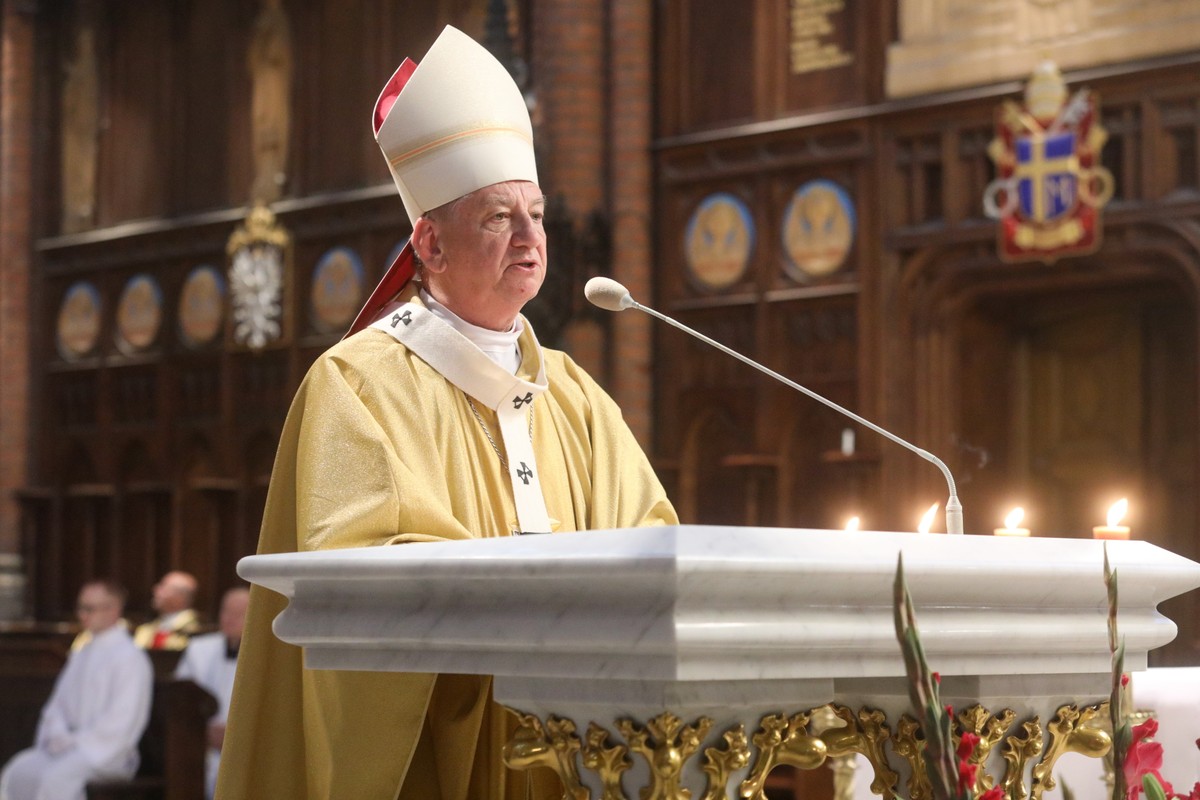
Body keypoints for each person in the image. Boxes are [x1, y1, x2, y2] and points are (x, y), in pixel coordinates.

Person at [216, 25, 677, 800]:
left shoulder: (572, 392)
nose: (533, 240)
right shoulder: (357, 384)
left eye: (535, 215)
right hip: (445, 749)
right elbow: (355, 580)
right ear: (428, 242)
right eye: (500, 218)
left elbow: (654, 538)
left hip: (579, 748)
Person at [0, 580, 153, 800]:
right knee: (19, 770)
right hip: (68, 748)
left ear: (113, 610)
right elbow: (58, 704)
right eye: (80, 607)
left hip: (106, 754)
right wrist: (58, 734)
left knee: (57, 779)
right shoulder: (82, 652)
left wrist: (77, 742)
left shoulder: (130, 658)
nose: (83, 615)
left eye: (90, 608)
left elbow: (124, 719)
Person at [174, 586, 250, 800]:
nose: (229, 618)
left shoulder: (267, 658)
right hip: (200, 745)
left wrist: (234, 736)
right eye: (226, 611)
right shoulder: (199, 649)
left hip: (243, 748)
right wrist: (203, 731)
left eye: (238, 614)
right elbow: (180, 700)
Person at [133, 570, 200, 650]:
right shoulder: (147, 629)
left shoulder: (192, 630)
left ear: (180, 597)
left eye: (163, 587)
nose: (155, 590)